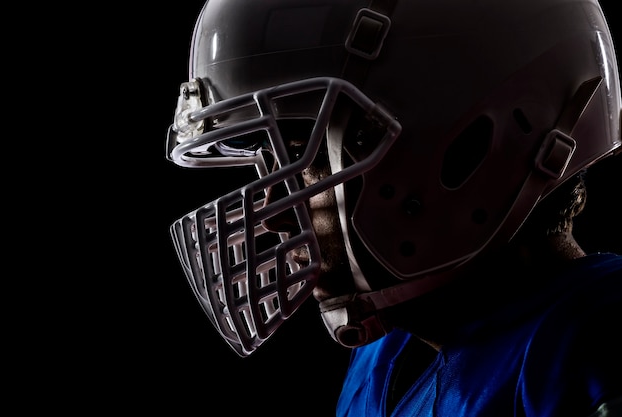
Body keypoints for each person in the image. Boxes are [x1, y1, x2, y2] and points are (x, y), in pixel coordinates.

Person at [165, 0, 622, 415]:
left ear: (462, 146)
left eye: (308, 156)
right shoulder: (384, 356)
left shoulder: (595, 345)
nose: (272, 213)